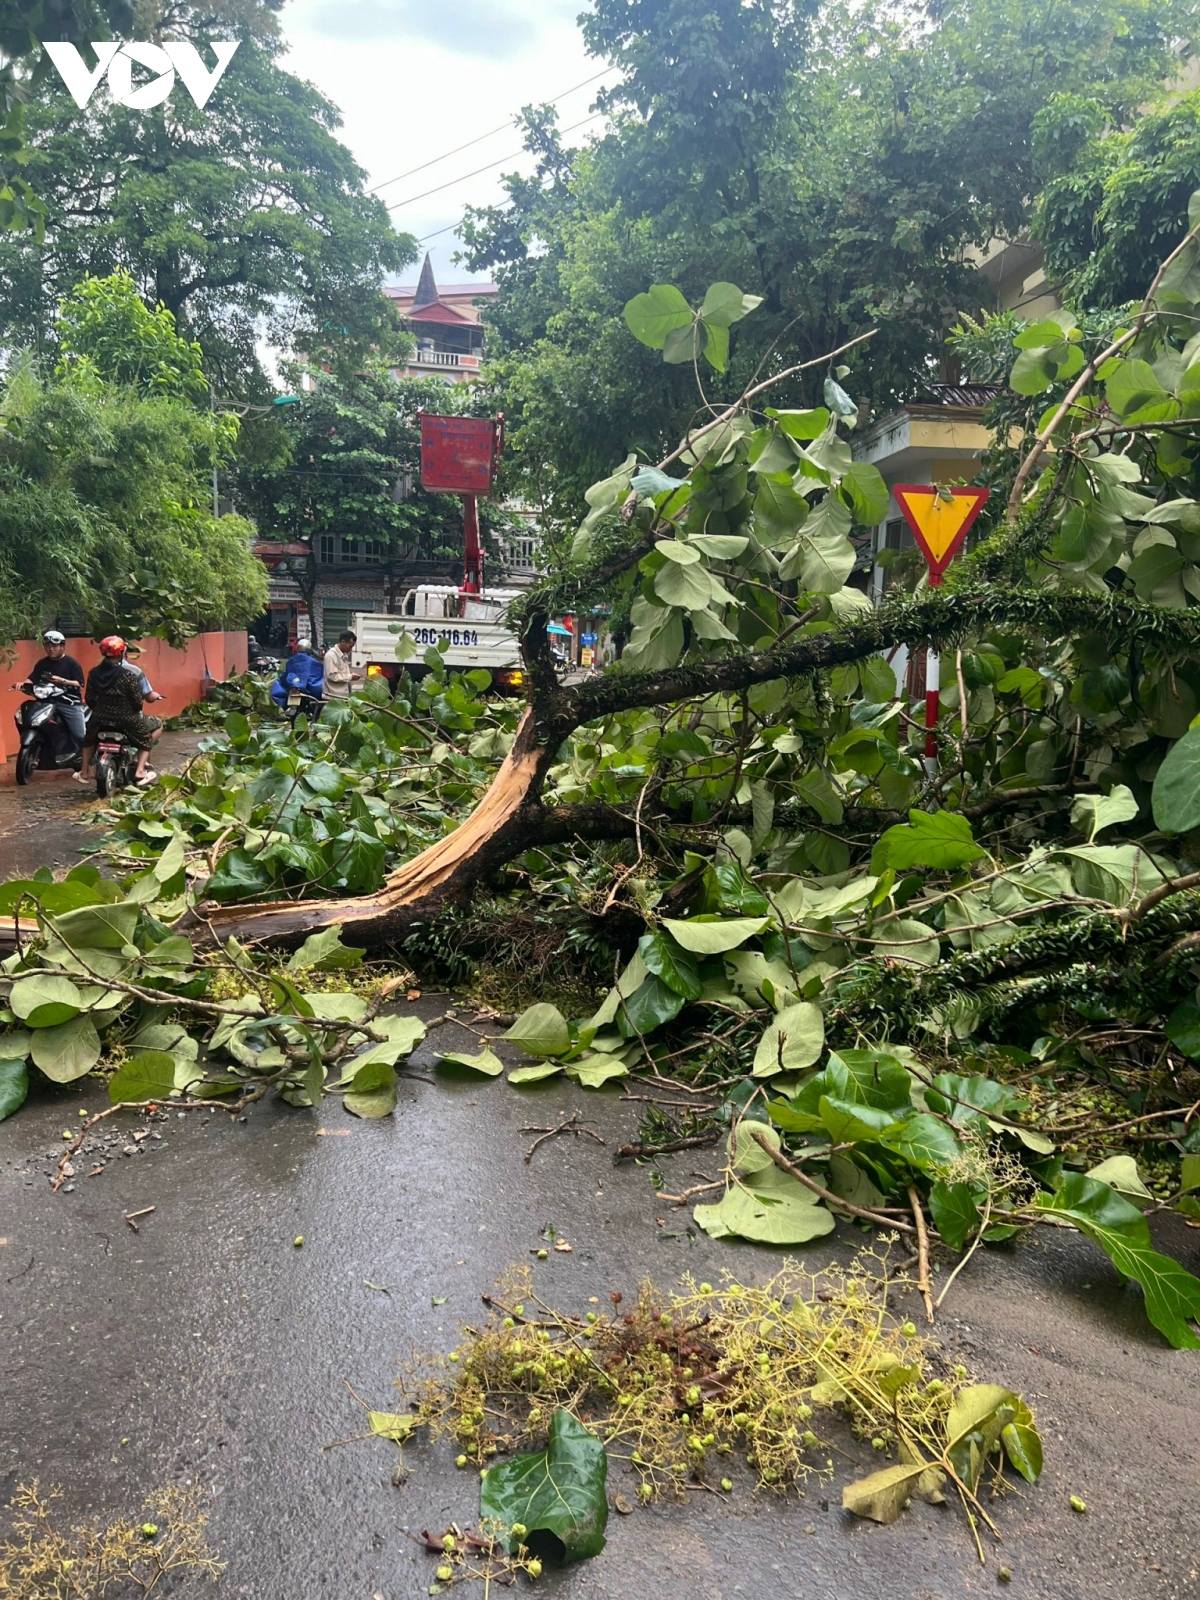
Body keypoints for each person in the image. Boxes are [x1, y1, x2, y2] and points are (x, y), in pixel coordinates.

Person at [81, 636, 163, 786]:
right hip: (126, 719)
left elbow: (90, 699)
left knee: (88, 739)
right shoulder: (129, 674)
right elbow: (137, 703)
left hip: (99, 719)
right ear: (123, 651)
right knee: (146, 738)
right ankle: (139, 770)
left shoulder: (93, 673)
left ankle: (85, 771)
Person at [22, 630, 88, 754]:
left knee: (80, 736)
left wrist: (62, 681)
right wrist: (22, 684)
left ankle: (89, 762)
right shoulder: (42, 663)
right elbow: (32, 678)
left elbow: (80, 684)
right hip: (45, 702)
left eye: (54, 646)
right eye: (47, 646)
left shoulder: (72, 664)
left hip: (69, 703)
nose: (50, 649)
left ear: (62, 647)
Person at [271, 645, 324, 711]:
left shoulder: (291, 660)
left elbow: (285, 673)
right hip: (308, 686)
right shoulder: (313, 662)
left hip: (292, 684)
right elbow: (319, 673)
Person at [322, 630, 364, 701]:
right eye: (350, 646)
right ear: (343, 642)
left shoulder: (344, 655)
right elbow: (332, 676)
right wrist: (351, 676)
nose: (350, 649)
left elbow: (342, 673)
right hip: (332, 698)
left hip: (341, 697)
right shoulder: (331, 655)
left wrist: (350, 675)